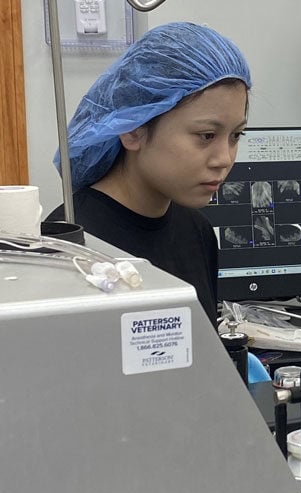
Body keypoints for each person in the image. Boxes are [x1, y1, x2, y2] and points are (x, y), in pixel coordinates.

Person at [48, 21, 252, 326]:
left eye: (236, 136)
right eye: (206, 136)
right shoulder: (69, 246)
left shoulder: (196, 233)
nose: (224, 159)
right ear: (132, 130)